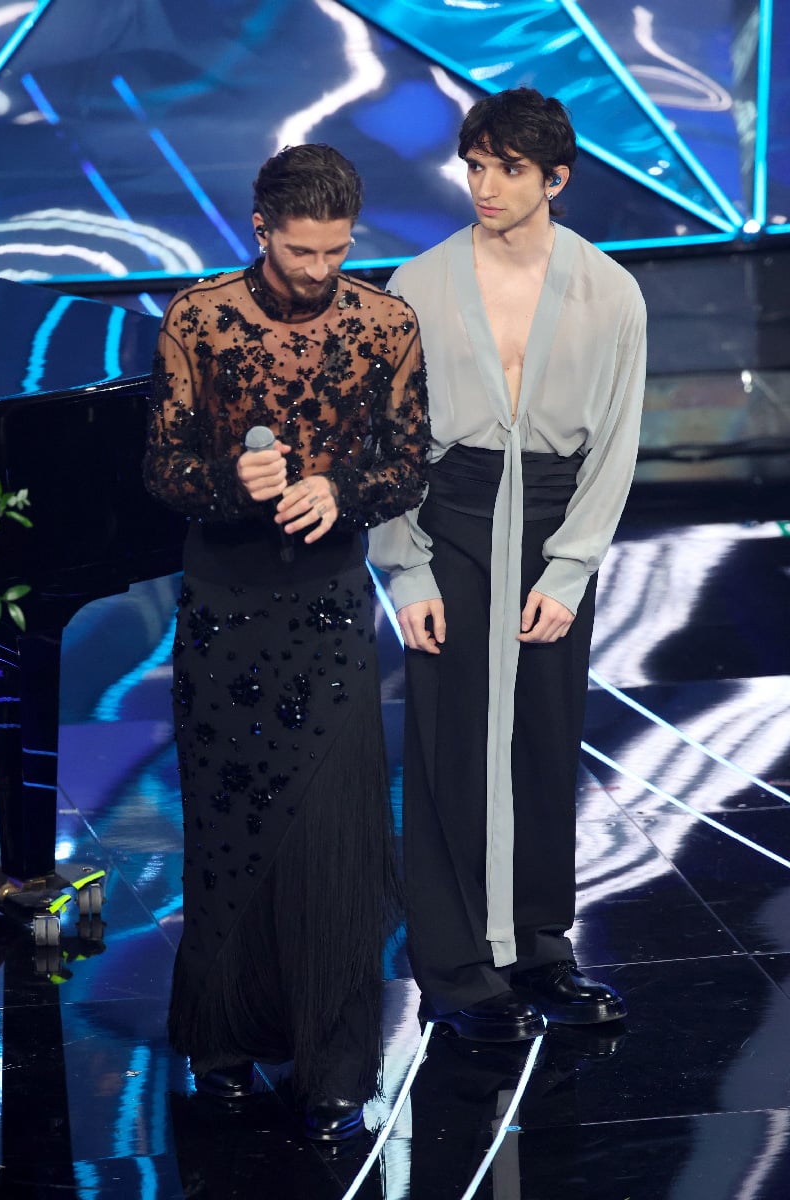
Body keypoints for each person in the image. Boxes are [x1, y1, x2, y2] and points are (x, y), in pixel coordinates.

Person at [143, 143, 429, 1140]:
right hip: (224, 608)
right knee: (227, 833)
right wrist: (231, 481)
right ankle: (224, 1043)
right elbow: (163, 470)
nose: (319, 270)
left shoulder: (384, 323)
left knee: (334, 834)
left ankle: (334, 1062)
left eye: (336, 250)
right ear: (260, 230)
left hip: (327, 606)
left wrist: (339, 490)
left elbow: (409, 463)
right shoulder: (200, 319)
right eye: (301, 251)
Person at [368, 88, 646, 1040]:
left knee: (545, 735)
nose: (484, 186)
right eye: (476, 166)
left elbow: (617, 445)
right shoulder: (418, 283)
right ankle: (454, 966)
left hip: (555, 519)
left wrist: (570, 571)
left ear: (554, 179)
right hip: (452, 513)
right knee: (449, 737)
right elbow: (393, 439)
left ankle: (539, 948)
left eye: (508, 169)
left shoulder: (611, 291)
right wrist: (405, 567)